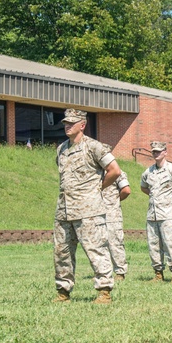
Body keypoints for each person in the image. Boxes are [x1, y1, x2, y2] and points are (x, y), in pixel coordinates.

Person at [53, 108, 122, 304]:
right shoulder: (61, 149)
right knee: (62, 252)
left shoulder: (95, 147)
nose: (67, 126)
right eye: (65, 123)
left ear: (82, 125)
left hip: (89, 210)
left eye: (71, 123)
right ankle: (63, 291)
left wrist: (97, 189)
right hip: (64, 210)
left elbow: (114, 171)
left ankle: (104, 291)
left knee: (95, 250)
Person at [140, 141, 172, 282]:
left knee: (170, 243)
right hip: (153, 215)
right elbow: (143, 187)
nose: (156, 154)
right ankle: (158, 274)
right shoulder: (148, 171)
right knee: (154, 245)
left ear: (165, 152)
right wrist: (154, 197)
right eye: (154, 152)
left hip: (168, 214)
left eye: (158, 151)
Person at [101, 147, 131, 282]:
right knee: (100, 244)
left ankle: (120, 272)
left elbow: (126, 190)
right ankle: (103, 271)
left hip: (112, 215)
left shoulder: (119, 173)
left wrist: (114, 202)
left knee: (115, 243)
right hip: (97, 214)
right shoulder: (95, 174)